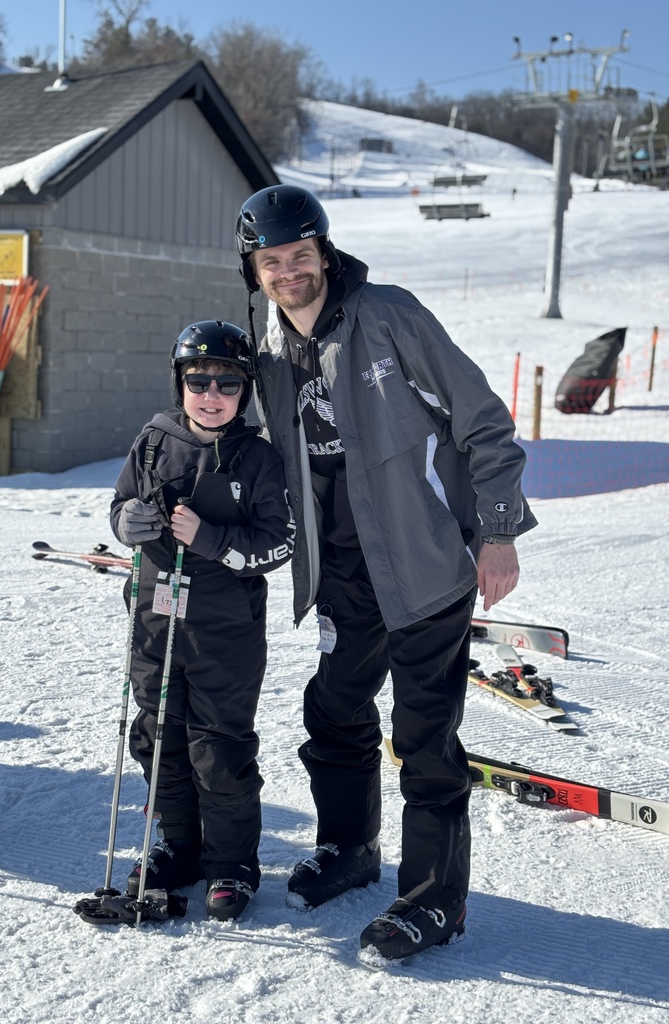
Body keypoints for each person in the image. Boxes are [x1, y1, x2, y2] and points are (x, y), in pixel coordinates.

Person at [235, 186, 537, 960]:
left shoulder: (390, 316)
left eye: (301, 255)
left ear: (324, 253)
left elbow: (485, 424)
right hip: (340, 572)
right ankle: (351, 849)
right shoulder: (265, 348)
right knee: (333, 710)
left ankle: (434, 901)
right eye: (273, 261)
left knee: (425, 736)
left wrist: (497, 535)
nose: (289, 272)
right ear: (255, 269)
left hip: (425, 566)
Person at [110, 321, 294, 922]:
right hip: (156, 618)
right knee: (158, 733)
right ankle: (178, 845)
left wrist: (211, 539)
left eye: (226, 383)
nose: (211, 394)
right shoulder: (154, 439)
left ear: (244, 392)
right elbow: (121, 506)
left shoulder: (258, 457)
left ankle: (231, 861)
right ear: (180, 383)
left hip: (224, 628)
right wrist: (128, 523)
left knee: (218, 747)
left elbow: (279, 543)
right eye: (198, 381)